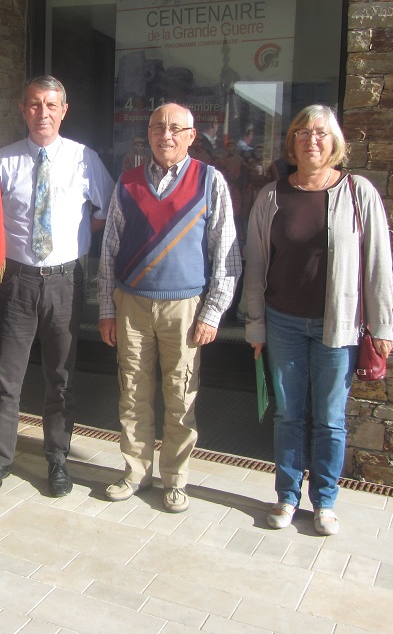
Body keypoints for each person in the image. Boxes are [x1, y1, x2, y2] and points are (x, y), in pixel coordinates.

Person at [243, 104, 393, 536]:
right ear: (292, 141)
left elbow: (378, 262)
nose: (312, 140)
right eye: (304, 132)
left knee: (329, 418)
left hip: (338, 326)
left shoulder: (358, 192)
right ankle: (287, 496)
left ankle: (325, 501)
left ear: (335, 143)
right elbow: (255, 266)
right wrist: (255, 326)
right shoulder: (271, 196)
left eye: (322, 133)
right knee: (288, 415)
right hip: (284, 322)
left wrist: (382, 325)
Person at [98, 102, 241, 513]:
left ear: (191, 136)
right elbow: (108, 250)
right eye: (158, 127)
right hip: (131, 305)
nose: (167, 135)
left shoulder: (210, 181)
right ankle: (135, 472)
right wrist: (106, 309)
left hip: (185, 310)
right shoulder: (127, 182)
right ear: (148, 133)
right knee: (132, 394)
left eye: (176, 128)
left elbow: (226, 253)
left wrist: (213, 311)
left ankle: (175, 480)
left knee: (180, 397)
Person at [0, 76, 115, 497]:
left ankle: (57, 458)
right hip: (16, 282)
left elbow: (108, 210)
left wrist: (77, 241)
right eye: (35, 105)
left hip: (64, 283)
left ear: (64, 110)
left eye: (51, 105)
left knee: (61, 377)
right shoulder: (2, 162)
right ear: (23, 109)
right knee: (8, 379)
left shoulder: (84, 159)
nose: (43, 113)